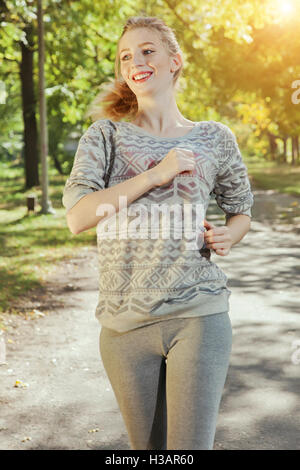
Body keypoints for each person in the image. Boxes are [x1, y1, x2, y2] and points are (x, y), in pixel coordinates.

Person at [62, 16, 254, 450]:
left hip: (198, 313)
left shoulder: (213, 138)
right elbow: (78, 217)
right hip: (124, 323)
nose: (136, 61)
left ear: (174, 61)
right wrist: (155, 174)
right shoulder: (105, 136)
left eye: (148, 50)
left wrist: (230, 235)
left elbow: (241, 211)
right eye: (126, 56)